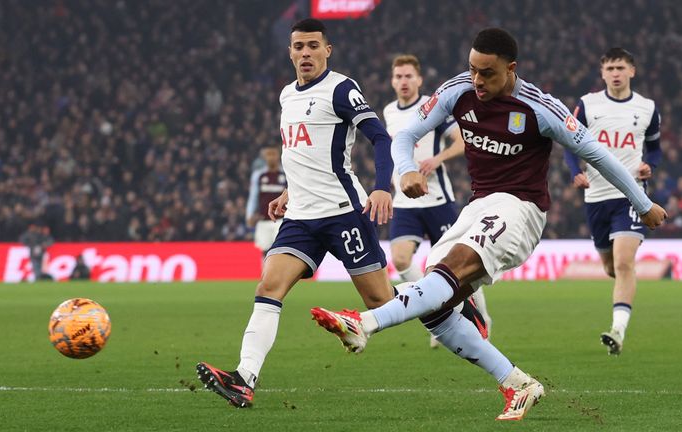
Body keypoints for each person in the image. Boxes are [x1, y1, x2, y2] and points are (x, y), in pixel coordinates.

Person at [311, 28, 667, 421]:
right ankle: (517, 382)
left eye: (487, 73)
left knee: (447, 273)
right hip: (478, 207)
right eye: (472, 69)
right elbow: (406, 133)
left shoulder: (541, 107)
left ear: (511, 69)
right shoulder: (458, 89)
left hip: (521, 210)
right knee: (437, 308)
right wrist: (408, 167)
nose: (477, 80)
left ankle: (363, 323)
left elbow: (599, 155)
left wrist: (644, 203)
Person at [197, 17, 492, 413]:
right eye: (298, 47)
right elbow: (304, 152)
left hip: (343, 213)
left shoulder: (341, 88)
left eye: (313, 46)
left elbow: (380, 138)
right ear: (289, 52)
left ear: (327, 50)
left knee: (380, 299)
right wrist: (288, 191)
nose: (305, 53)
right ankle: (244, 379)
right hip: (300, 218)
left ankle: (449, 302)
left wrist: (382, 186)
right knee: (269, 287)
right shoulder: (287, 95)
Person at [384, 54, 491, 348]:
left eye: (408, 76)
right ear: (392, 81)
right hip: (405, 201)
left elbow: (461, 141)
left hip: (436, 199)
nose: (403, 82)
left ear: (419, 79)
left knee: (458, 264)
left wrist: (437, 158)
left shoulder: (432, 106)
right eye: (398, 77)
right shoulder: (389, 112)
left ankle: (481, 315)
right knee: (401, 259)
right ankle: (439, 308)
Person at [563, 48, 662, 355]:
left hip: (631, 194)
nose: (615, 73)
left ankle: (618, 330)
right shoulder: (588, 104)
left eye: (620, 67)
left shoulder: (647, 108)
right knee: (611, 267)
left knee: (623, 262)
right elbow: (568, 142)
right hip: (596, 195)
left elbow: (655, 149)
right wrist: (574, 171)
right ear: (602, 73)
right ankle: (624, 294)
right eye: (609, 68)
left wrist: (651, 166)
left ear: (632, 71)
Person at [245, 145, 287, 253]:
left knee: (281, 250)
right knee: (264, 251)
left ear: (278, 155)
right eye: (268, 154)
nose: (271, 157)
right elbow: (253, 197)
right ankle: (265, 270)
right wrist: (249, 215)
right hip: (263, 219)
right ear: (264, 156)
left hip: (282, 220)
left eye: (273, 154)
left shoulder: (286, 174)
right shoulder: (258, 175)